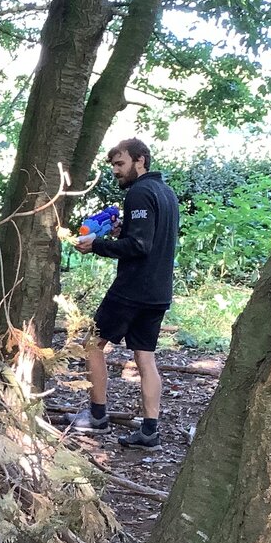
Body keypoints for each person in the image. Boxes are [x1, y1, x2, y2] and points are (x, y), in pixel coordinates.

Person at [71, 138, 180, 449]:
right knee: (145, 357)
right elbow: (149, 238)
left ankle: (97, 416)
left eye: (120, 164)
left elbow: (140, 246)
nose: (116, 171)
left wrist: (97, 245)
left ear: (140, 160)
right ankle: (149, 432)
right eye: (113, 165)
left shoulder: (139, 192)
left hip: (133, 289)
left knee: (92, 344)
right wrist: (124, 232)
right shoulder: (167, 193)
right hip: (159, 291)